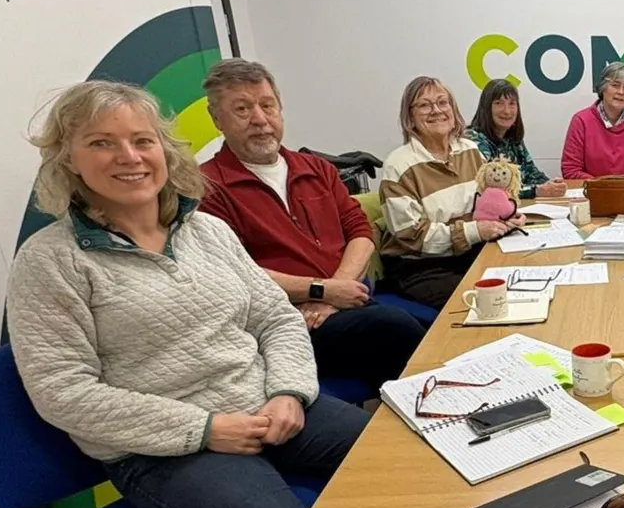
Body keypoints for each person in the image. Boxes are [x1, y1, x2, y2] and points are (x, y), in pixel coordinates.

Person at [6, 81, 497, 508]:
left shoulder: (206, 232)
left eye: (142, 140)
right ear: (68, 160)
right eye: (102, 143)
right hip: (166, 450)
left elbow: (275, 319)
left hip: (271, 406)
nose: (129, 157)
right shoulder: (50, 262)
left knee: (408, 465)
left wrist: (289, 392)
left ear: (164, 150)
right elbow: (63, 391)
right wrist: (205, 428)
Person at [198, 59, 424, 392]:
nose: (259, 119)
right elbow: (236, 273)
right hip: (286, 323)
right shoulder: (207, 187)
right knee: (398, 331)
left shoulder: (317, 169)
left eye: (267, 105)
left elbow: (360, 232)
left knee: (429, 339)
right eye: (242, 109)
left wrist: (335, 291)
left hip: (344, 303)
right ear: (217, 118)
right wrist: (320, 291)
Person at [381, 75, 520, 309]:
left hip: (470, 252)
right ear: (410, 117)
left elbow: (490, 201)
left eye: (442, 102)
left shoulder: (470, 150)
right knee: (489, 302)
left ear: (453, 110)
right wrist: (475, 231)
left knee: (524, 281)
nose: (436, 110)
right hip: (422, 266)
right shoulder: (399, 166)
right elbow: (412, 236)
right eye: (424, 105)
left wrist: (508, 217)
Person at [465, 78, 568, 199]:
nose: (507, 111)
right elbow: (490, 188)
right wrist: (536, 191)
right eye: (499, 103)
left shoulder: (512, 137)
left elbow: (531, 173)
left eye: (512, 104)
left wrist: (551, 184)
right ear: (486, 108)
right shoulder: (473, 141)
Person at [561, 61, 624, 180]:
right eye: (615, 85)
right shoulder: (581, 121)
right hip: (592, 191)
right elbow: (570, 170)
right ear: (603, 88)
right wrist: (603, 185)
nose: (621, 92)